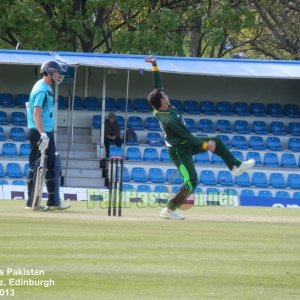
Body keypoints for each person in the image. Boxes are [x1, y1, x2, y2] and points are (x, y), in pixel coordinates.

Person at [145, 57, 255, 220]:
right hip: (179, 152)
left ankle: (236, 166)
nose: (167, 94)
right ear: (161, 101)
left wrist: (155, 66)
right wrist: (205, 145)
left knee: (216, 141)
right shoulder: (169, 120)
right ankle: (169, 209)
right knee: (191, 181)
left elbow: (157, 87)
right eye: (164, 95)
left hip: (186, 144)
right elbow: (189, 138)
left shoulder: (161, 107)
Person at [26, 60, 71, 211]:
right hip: (40, 132)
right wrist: (43, 134)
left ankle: (53, 201)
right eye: (57, 72)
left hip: (44, 131)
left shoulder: (45, 87)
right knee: (38, 164)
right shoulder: (41, 89)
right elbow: (36, 113)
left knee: (52, 163)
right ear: (50, 72)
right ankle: (33, 202)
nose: (59, 75)